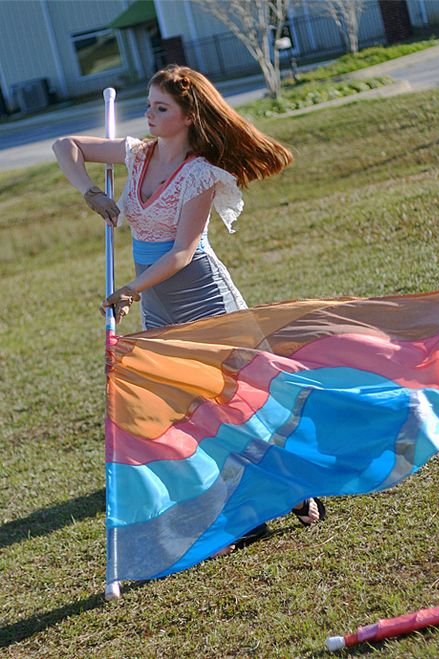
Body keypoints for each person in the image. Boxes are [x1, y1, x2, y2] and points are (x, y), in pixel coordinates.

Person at [52, 65, 325, 549]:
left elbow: (182, 252)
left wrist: (131, 289)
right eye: (149, 105)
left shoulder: (198, 173)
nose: (149, 115)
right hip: (157, 301)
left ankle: (296, 489)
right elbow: (64, 146)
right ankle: (242, 513)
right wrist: (91, 191)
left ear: (188, 116)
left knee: (236, 401)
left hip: (201, 294)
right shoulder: (135, 154)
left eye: (162, 108)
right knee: (187, 405)